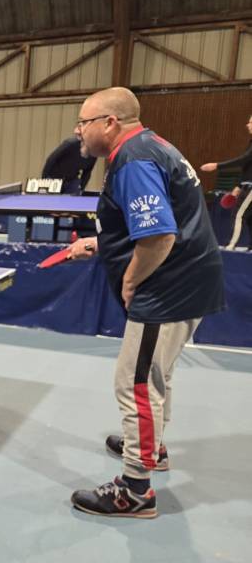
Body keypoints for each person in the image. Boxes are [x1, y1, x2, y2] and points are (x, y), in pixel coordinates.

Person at [64, 87, 225, 518]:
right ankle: (153, 449)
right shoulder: (151, 146)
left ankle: (135, 490)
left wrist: (132, 279)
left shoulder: (133, 160)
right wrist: (100, 244)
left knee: (135, 383)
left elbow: (157, 236)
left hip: (168, 287)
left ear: (109, 123)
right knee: (156, 374)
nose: (78, 131)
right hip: (189, 280)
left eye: (83, 122)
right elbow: (151, 221)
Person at [199, 113, 252, 249]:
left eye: (251, 122)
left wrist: (216, 165)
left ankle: (231, 246)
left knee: (238, 215)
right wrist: (238, 185)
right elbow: (247, 166)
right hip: (247, 185)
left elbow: (243, 159)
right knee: (249, 217)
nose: (247, 125)